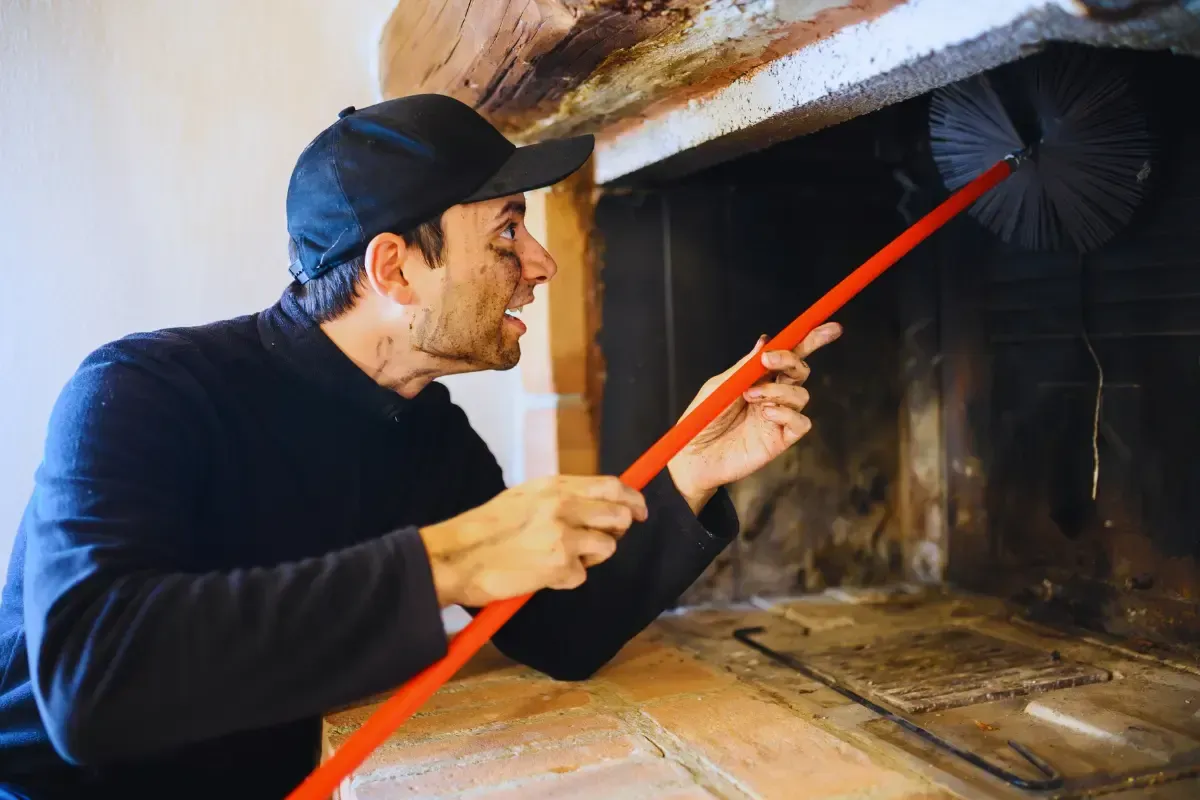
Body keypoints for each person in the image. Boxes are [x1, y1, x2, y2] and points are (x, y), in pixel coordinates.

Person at [0, 94, 841, 798]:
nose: (541, 262)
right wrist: (448, 559)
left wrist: (691, 469)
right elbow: (93, 682)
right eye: (507, 232)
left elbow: (557, 632)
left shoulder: (428, 431)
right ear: (395, 270)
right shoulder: (140, 390)